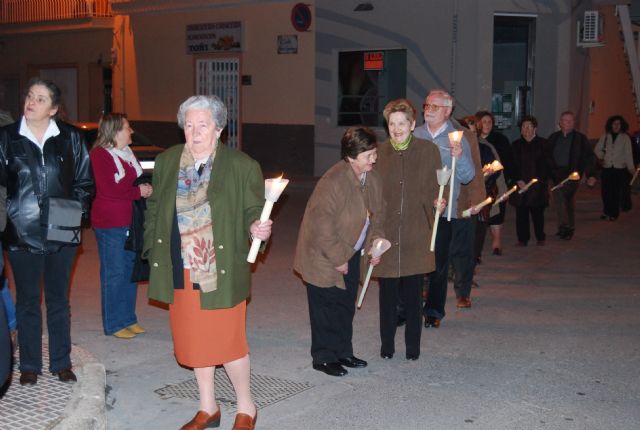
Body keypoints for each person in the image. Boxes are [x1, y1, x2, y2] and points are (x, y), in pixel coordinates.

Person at [143, 95, 270, 430]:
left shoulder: (243, 166)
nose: (195, 131)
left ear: (219, 129)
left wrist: (257, 226)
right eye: (188, 124)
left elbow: (252, 212)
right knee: (195, 341)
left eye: (203, 125)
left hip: (219, 267)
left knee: (229, 343)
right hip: (179, 265)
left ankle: (247, 407)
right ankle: (208, 408)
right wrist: (149, 249)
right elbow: (154, 209)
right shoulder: (169, 160)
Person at [0, 78, 94, 385]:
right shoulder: (6, 138)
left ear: (53, 108)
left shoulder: (70, 138)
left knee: (58, 300)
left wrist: (71, 216)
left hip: (62, 234)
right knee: (27, 301)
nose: (31, 102)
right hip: (21, 231)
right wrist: (8, 217)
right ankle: (29, 365)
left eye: (40, 99)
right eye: (29, 96)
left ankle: (61, 362)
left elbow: (84, 183)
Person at [294, 126, 385, 376]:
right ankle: (323, 356)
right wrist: (337, 258)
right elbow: (320, 225)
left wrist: (376, 244)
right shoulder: (333, 181)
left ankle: (343, 351)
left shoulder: (372, 179)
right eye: (369, 155)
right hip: (323, 254)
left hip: (351, 251)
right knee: (326, 306)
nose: (374, 159)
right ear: (352, 156)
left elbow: (377, 217)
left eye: (375, 153)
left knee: (345, 305)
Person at [373, 98, 441, 361]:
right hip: (387, 233)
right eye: (392, 123)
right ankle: (387, 345)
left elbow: (437, 188)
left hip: (415, 231)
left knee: (413, 296)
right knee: (387, 295)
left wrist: (438, 202)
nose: (397, 128)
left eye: (402, 123)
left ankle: (413, 347)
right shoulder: (379, 154)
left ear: (413, 124)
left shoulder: (428, 151)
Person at [414, 90, 484, 327]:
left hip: (444, 210)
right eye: (427, 105)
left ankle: (433, 311)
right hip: (416, 210)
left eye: (434, 106)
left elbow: (467, 176)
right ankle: (407, 308)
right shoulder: (415, 134)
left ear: (447, 111)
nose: (428, 110)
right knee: (412, 260)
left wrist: (461, 156)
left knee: (439, 263)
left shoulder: (457, 138)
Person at [90, 113, 153, 339]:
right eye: (127, 127)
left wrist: (145, 187)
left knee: (129, 271)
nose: (131, 131)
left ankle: (128, 318)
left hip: (130, 221)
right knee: (114, 272)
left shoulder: (127, 154)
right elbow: (108, 190)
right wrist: (139, 191)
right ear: (115, 131)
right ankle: (114, 323)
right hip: (110, 223)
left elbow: (135, 180)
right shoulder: (100, 156)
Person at [546, 111, 596, 240]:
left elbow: (589, 157)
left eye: (570, 120)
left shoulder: (580, 139)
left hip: (572, 174)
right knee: (560, 200)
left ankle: (566, 227)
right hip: (555, 173)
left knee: (565, 199)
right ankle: (566, 227)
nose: (567, 123)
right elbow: (546, 155)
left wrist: (591, 175)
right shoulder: (553, 137)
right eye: (565, 120)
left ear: (574, 123)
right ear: (560, 123)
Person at [476, 111, 515, 256]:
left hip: (497, 181)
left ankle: (497, 243)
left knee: (497, 214)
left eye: (489, 122)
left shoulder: (500, 140)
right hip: (480, 184)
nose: (486, 125)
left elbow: (507, 162)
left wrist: (506, 185)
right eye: (483, 122)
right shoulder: (473, 140)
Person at [509, 115, 550, 246]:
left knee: (538, 213)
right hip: (520, 185)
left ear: (535, 129)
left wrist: (536, 180)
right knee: (521, 213)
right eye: (523, 127)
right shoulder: (515, 145)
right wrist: (518, 179)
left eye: (529, 126)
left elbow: (547, 165)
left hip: (537, 185)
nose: (526, 129)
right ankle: (522, 238)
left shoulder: (544, 144)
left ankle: (540, 236)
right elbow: (512, 165)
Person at [594, 115, 635, 220]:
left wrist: (631, 169)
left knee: (615, 192)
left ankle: (613, 213)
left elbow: (628, 154)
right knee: (605, 192)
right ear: (610, 125)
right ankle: (606, 212)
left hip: (619, 169)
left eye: (619, 124)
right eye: (614, 123)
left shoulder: (625, 138)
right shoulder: (605, 136)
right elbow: (597, 149)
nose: (616, 126)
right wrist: (602, 157)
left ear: (622, 125)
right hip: (607, 167)